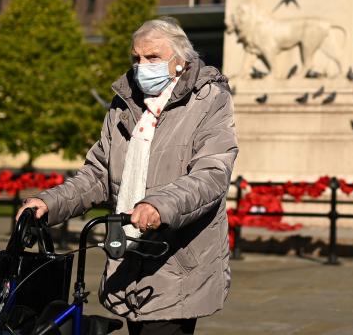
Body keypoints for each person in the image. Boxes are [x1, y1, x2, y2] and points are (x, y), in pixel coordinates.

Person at [17, 18, 238, 334]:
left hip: (176, 259)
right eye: (136, 58)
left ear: (181, 60)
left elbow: (212, 173)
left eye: (152, 58)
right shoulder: (124, 104)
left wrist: (159, 206)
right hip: (127, 254)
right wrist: (49, 203)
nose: (141, 66)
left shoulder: (209, 100)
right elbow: (97, 175)